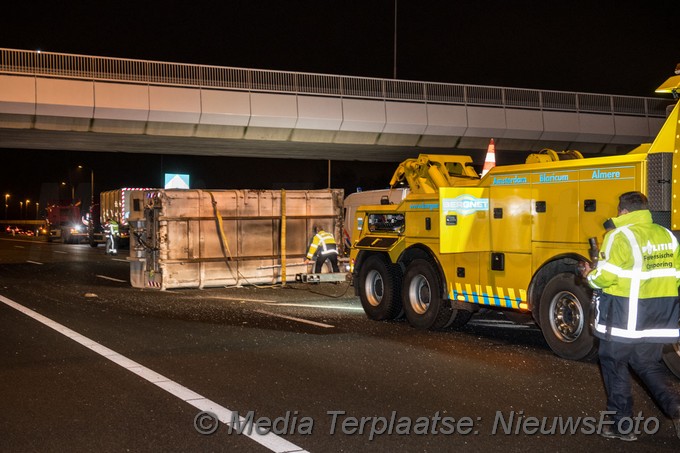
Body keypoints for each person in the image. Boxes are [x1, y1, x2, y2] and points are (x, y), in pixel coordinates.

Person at [581, 191, 680, 441]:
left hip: (624, 318)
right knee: (647, 364)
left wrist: (589, 275)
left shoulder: (619, 235)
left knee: (614, 364)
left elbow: (606, 277)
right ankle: (675, 405)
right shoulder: (667, 235)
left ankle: (621, 425)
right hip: (658, 319)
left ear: (623, 211)